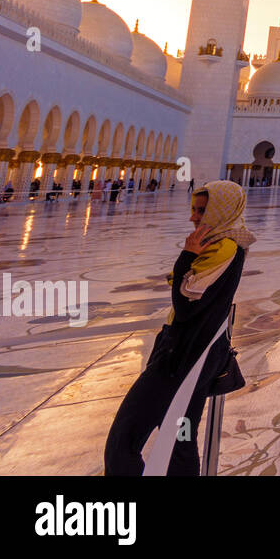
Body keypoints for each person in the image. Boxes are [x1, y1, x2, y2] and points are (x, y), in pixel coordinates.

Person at [104, 180, 253, 476]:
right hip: (202, 355)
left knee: (124, 439)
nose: (194, 217)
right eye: (194, 209)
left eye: (201, 210)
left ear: (220, 209)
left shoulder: (223, 248)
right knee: (180, 437)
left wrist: (186, 256)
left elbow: (186, 306)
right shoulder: (231, 242)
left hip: (180, 360)